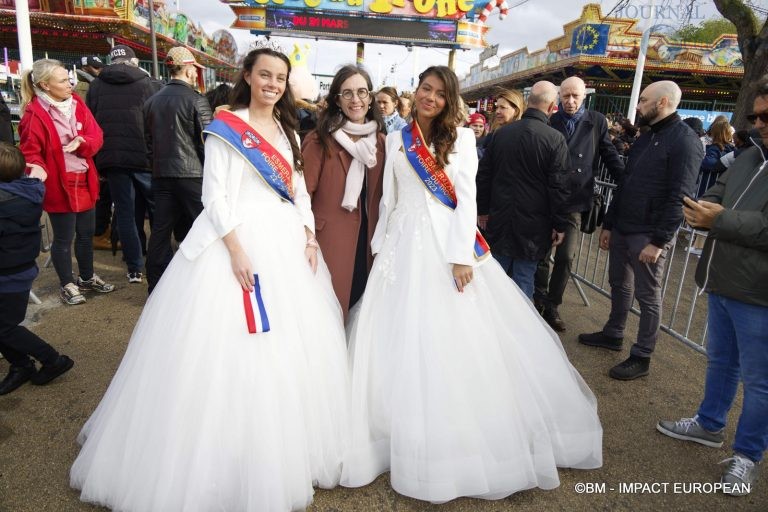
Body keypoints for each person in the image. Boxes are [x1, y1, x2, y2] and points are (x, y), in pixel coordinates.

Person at [70, 47, 350, 512]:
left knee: (288, 349)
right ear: (248, 76)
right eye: (265, 74)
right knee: (222, 352)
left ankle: (277, 447)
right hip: (234, 240)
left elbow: (297, 188)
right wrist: (237, 252)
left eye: (280, 77)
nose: (273, 84)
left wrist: (307, 234)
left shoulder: (286, 129)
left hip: (284, 240)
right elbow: (214, 195)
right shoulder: (225, 127)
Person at [341, 66, 602, 503]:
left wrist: (462, 255)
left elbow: (466, 200)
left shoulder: (462, 139)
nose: (430, 98)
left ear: (450, 99)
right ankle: (387, 429)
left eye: (440, 93)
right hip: (402, 244)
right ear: (416, 90)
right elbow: (390, 196)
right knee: (392, 331)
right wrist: (380, 242)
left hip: (445, 244)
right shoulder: (397, 138)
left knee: (451, 333)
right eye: (425, 89)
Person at [656, 82, 768, 496]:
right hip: (721, 280)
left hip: (760, 292)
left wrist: (717, 219)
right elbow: (716, 195)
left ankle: (747, 456)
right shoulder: (749, 155)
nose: (757, 125)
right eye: (754, 117)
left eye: (765, 117)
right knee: (722, 363)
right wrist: (701, 210)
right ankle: (709, 423)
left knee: (760, 382)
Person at [578, 81, 703, 380]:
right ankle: (613, 333)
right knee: (619, 284)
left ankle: (642, 355)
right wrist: (609, 224)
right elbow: (625, 183)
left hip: (649, 233)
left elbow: (680, 195)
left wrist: (659, 241)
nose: (638, 105)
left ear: (662, 103)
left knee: (648, 296)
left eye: (643, 100)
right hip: (623, 227)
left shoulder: (685, 141)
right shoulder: (647, 138)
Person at [18, 58, 115, 305]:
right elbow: (30, 152)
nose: (70, 84)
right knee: (63, 239)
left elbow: (97, 135)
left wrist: (84, 142)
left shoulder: (77, 103)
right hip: (58, 185)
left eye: (68, 78)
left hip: (84, 179)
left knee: (85, 234)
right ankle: (67, 283)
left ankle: (86, 277)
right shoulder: (34, 114)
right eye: (62, 80)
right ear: (45, 85)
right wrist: (37, 168)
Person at [534, 76, 624, 330]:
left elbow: (608, 153)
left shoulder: (595, 121)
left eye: (575, 96)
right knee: (541, 253)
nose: (570, 101)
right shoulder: (550, 119)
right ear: (558, 97)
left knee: (566, 257)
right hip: (546, 199)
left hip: (575, 200)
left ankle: (553, 305)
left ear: (585, 96)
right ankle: (538, 298)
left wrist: (627, 180)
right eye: (565, 96)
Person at [301, 65, 386, 320]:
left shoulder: (382, 142)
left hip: (368, 243)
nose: (356, 99)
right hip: (328, 241)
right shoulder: (319, 140)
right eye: (347, 93)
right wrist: (307, 239)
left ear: (370, 98)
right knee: (328, 315)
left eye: (362, 92)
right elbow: (301, 195)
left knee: (359, 314)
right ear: (336, 100)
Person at [476, 81, 571, 299]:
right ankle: (522, 329)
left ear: (528, 103)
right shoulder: (555, 139)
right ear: (551, 107)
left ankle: (492, 324)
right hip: (534, 226)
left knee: (496, 275)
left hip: (500, 218)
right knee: (524, 278)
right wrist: (560, 224)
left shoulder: (500, 135)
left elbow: (484, 177)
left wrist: (482, 210)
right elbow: (559, 186)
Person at [0, 143, 74, 395]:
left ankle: (52, 359)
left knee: (5, 328)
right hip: (18, 272)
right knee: (4, 326)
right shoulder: (27, 192)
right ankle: (20, 365)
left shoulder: (6, 203)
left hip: (8, 276)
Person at [87, 44, 161, 284]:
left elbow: (92, 121)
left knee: (126, 213)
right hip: (145, 157)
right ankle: (161, 263)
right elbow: (155, 121)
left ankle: (134, 268)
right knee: (157, 211)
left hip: (112, 158)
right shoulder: (147, 83)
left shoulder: (96, 85)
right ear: (134, 62)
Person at [143, 46, 212, 293]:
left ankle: (156, 287)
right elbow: (208, 143)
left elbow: (148, 143)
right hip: (193, 175)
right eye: (194, 68)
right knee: (207, 228)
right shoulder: (196, 99)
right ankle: (206, 284)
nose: (195, 73)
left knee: (160, 231)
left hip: (162, 174)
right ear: (187, 68)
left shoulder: (152, 101)